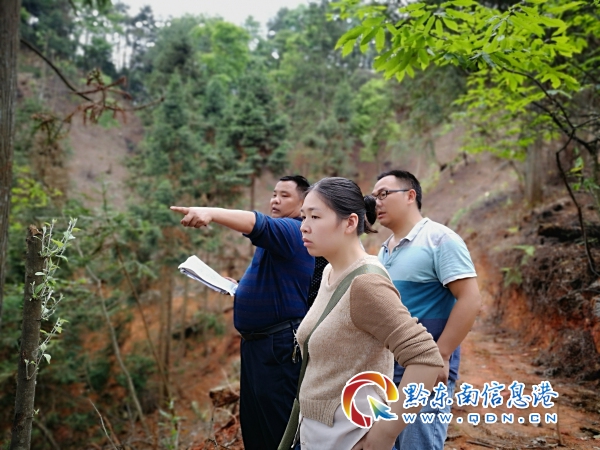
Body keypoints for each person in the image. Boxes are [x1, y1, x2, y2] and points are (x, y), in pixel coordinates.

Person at [291, 177, 444, 450]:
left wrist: (385, 433)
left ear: (350, 223)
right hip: (318, 433)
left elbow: (426, 359)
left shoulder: (365, 283)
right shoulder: (330, 272)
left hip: (348, 435)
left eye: (315, 216)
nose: (304, 226)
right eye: (303, 216)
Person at [171, 175, 315, 450]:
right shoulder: (278, 240)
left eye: (284, 195)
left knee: (278, 429)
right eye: (274, 194)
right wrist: (242, 287)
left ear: (304, 203)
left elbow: (257, 223)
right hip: (258, 345)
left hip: (279, 345)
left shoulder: (293, 229)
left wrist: (210, 213)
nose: (275, 200)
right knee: (256, 426)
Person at [371, 169, 482, 449]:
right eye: (373, 197)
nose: (376, 203)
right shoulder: (384, 251)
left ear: (410, 196)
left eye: (383, 194)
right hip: (389, 370)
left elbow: (470, 299)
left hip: (424, 368)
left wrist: (441, 354)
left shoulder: (440, 239)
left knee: (418, 443)